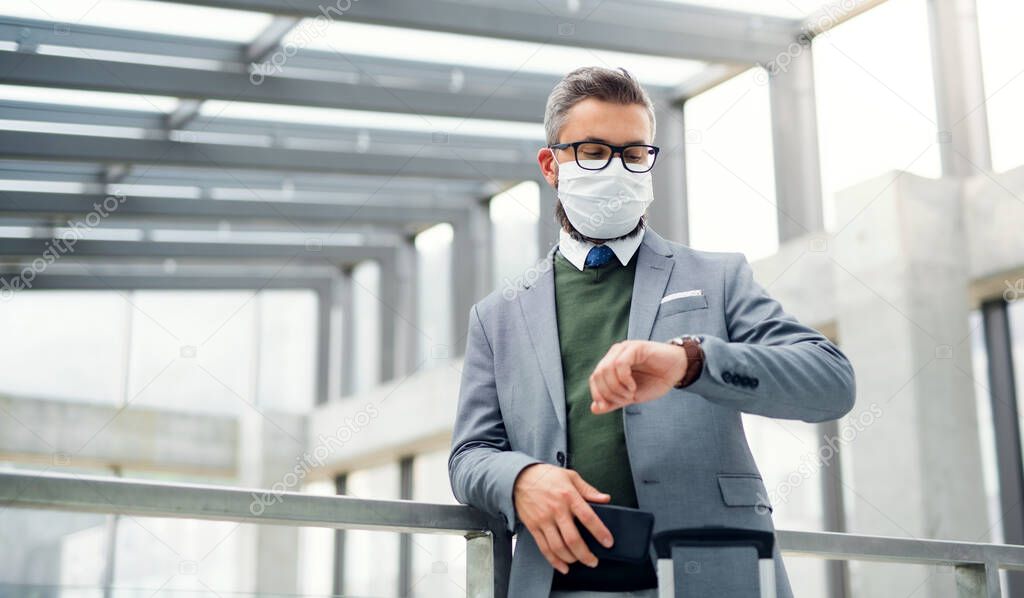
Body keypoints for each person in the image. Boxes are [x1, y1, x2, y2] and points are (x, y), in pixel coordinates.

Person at [448, 66, 856, 598]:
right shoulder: (497, 314)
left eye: (634, 153)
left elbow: (831, 383)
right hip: (560, 581)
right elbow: (470, 454)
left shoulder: (717, 277)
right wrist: (520, 479)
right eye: (594, 152)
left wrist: (692, 363)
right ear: (551, 165)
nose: (616, 168)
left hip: (710, 574)